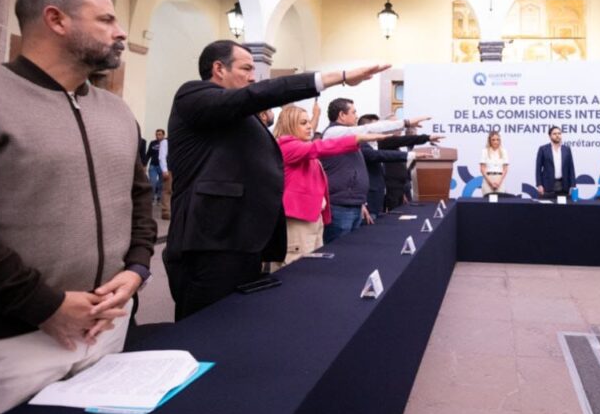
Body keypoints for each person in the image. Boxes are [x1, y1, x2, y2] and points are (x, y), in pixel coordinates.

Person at [0, 0, 157, 414]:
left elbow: (139, 197)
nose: (121, 32)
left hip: (104, 328)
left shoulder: (117, 111)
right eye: (106, 20)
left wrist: (137, 268)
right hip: (2, 344)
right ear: (56, 20)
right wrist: (45, 305)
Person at [164, 41, 388, 320]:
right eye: (246, 69)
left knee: (236, 323)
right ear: (219, 69)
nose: (252, 78)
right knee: (205, 325)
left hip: (242, 239)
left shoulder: (241, 115)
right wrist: (335, 77)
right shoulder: (193, 95)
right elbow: (256, 96)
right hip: (210, 241)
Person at [275, 105, 388, 262]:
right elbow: (320, 147)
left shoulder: (301, 148)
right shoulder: (286, 146)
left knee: (312, 264)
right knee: (296, 265)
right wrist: (357, 138)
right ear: (289, 125)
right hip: (299, 218)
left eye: (309, 122)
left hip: (313, 217)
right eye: (303, 123)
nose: (309, 126)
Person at [321, 98, 430, 243]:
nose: (356, 116)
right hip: (341, 207)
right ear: (341, 115)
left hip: (354, 205)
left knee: (350, 249)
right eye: (353, 112)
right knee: (338, 249)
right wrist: (406, 122)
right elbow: (368, 130)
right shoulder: (334, 132)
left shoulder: (350, 137)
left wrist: (361, 203)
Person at [356, 114, 442, 216]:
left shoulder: (378, 142)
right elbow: (383, 155)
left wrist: (427, 138)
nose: (380, 130)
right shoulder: (362, 145)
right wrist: (411, 154)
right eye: (377, 127)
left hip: (391, 191)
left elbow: (404, 140)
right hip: (374, 196)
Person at [535, 125, 576, 200]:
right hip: (547, 185)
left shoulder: (566, 149)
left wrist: (573, 185)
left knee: (563, 207)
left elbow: (571, 168)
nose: (557, 135)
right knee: (546, 207)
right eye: (554, 134)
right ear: (550, 136)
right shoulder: (543, 149)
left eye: (559, 133)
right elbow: (538, 168)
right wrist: (539, 184)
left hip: (564, 186)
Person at [480, 131, 510, 196]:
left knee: (500, 201)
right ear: (489, 141)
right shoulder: (484, 151)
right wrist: (490, 183)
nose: (495, 142)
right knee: (487, 201)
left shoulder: (504, 151)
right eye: (493, 140)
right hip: (488, 180)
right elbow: (482, 169)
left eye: (497, 139)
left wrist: (499, 182)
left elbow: (505, 169)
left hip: (499, 180)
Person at [145, 128, 167, 203]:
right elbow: (148, 154)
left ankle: (159, 197)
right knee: (152, 182)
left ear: (163, 135)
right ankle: (151, 199)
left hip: (162, 167)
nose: (158, 136)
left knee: (161, 184)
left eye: (160, 134)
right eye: (157, 134)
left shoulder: (166, 143)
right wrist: (145, 164)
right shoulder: (152, 143)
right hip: (153, 166)